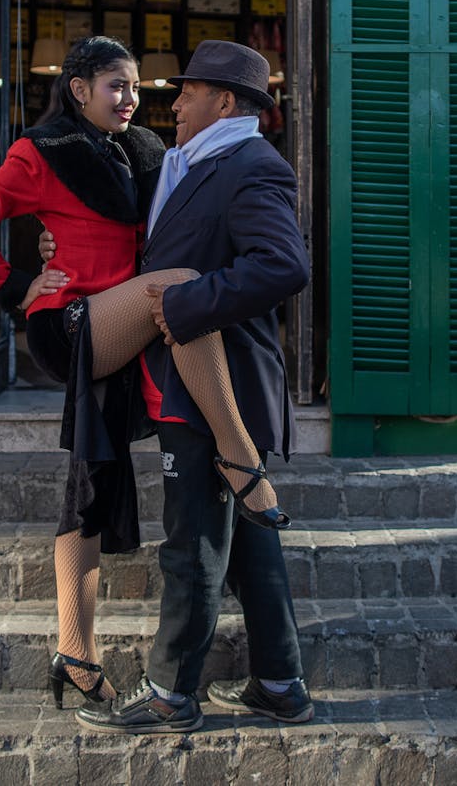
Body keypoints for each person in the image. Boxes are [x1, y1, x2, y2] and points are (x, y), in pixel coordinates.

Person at [0, 36, 288, 713]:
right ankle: (239, 454)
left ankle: (76, 652)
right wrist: (18, 285)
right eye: (115, 86)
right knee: (182, 287)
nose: (133, 99)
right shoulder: (41, 153)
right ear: (77, 90)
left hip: (127, 324)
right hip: (72, 325)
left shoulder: (149, 153)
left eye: (137, 87)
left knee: (89, 484)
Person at [72, 40, 311, 735]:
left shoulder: (252, 166)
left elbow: (283, 266)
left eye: (189, 92)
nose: (173, 104)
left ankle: (172, 694)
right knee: (248, 544)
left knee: (193, 542)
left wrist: (185, 304)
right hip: (189, 379)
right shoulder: (196, 164)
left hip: (220, 386)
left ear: (226, 103)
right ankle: (279, 682)